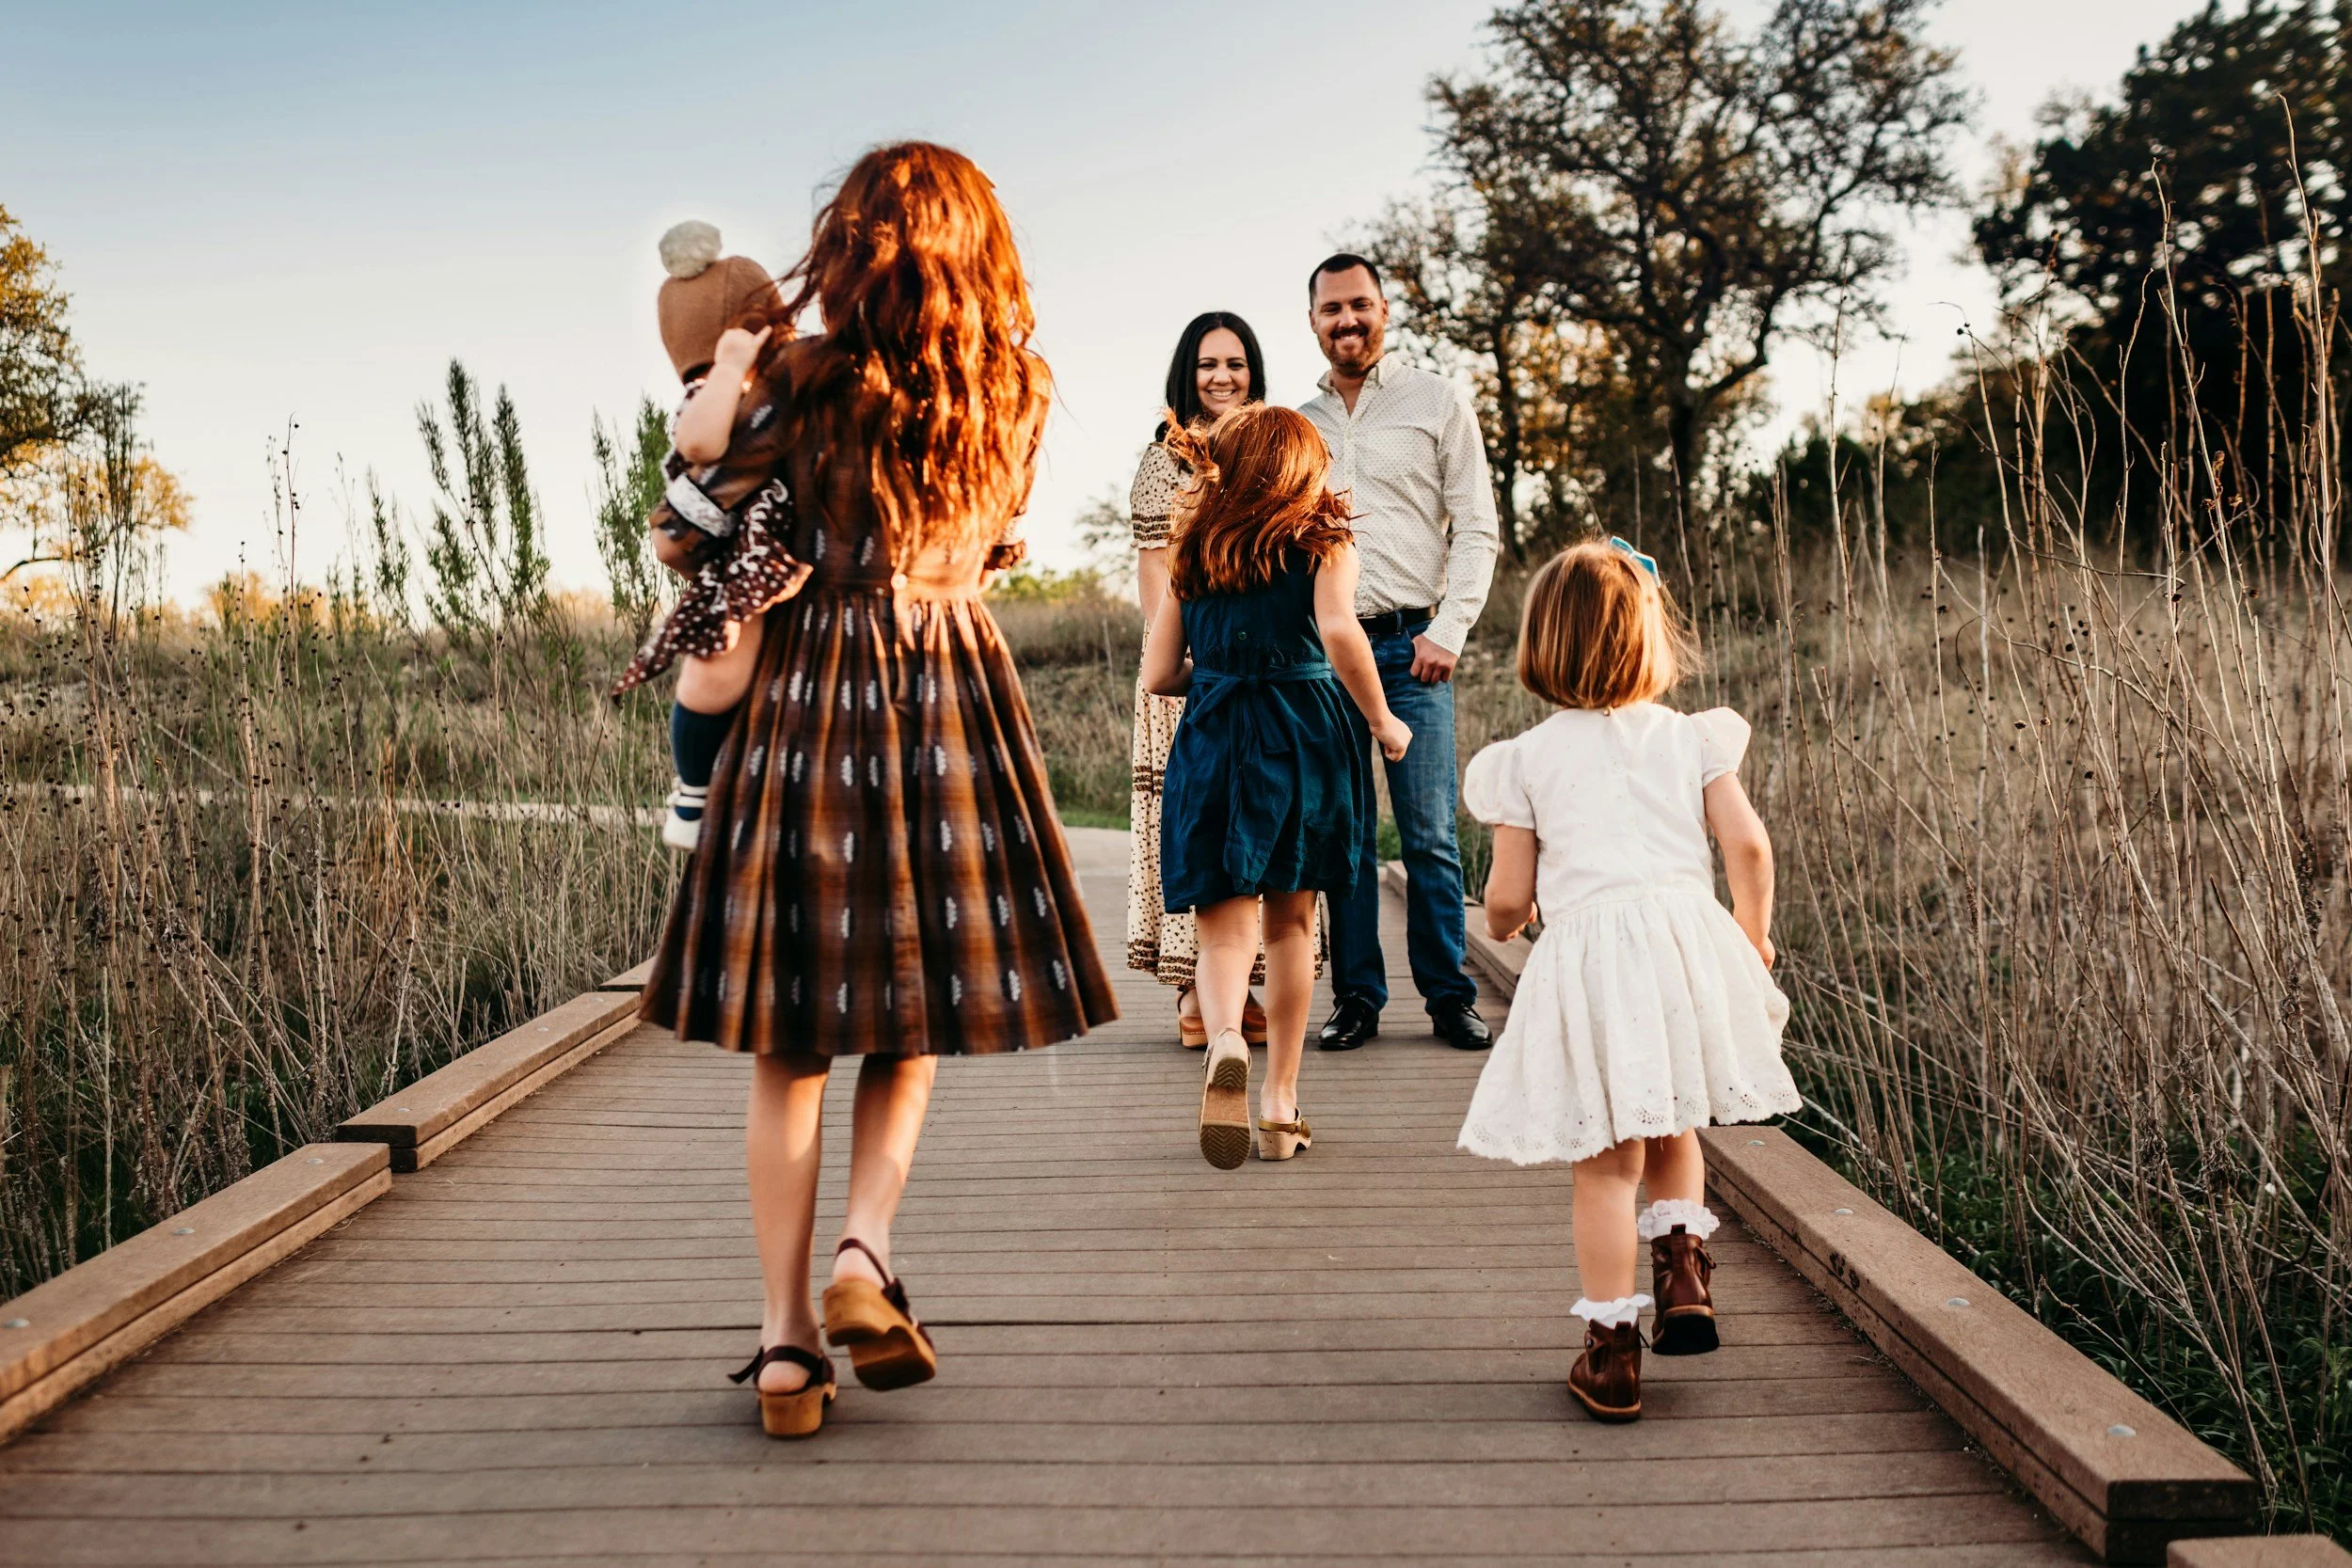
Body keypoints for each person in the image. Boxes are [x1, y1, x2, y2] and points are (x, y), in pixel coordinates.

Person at [636, 142, 1120, 1439]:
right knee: (909, 1007)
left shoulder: (798, 379)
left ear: (846, 248)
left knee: (792, 1039)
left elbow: (690, 526)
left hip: (810, 701)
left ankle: (788, 1344)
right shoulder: (1011, 389)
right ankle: (867, 1248)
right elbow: (1005, 531)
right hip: (950, 688)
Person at [1454, 539, 1801, 1422]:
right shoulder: (1691, 737)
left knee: (1607, 1165)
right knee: (1676, 1113)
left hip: (1593, 960)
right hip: (1685, 944)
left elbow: (1504, 898)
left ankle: (1612, 1354)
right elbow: (1749, 846)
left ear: (1545, 643)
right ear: (1649, 636)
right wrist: (1752, 939)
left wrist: (1503, 922)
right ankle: (1684, 1269)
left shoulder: (1524, 759)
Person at [1139, 405, 1410, 1168]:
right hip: (1305, 734)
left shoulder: (1193, 552)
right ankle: (1280, 1104)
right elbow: (1339, 631)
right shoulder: (1326, 541)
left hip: (1217, 732)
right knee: (1292, 926)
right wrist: (1384, 721)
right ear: (1300, 467)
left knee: (1225, 930)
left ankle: (1226, 1034)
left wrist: (1220, 673)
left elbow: (1159, 674)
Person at [1298, 252, 1501, 1053]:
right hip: (1328, 660)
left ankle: (1449, 996)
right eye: (1330, 310)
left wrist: (1449, 630)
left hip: (1416, 649)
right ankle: (1357, 998)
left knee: (1428, 835)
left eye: (1359, 306)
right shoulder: (1297, 425)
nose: (1346, 321)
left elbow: (1476, 524)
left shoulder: (1436, 400)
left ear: (1384, 308)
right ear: (1312, 321)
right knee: (1342, 833)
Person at [1125, 311, 1323, 1047]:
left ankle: (1234, 997)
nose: (1222, 377)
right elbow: (1158, 581)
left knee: (1247, 833)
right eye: (1208, 364)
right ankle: (1193, 998)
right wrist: (1187, 667)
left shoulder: (1269, 450)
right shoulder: (1166, 462)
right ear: (1187, 372)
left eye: (1236, 364)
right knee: (1195, 831)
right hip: (1189, 669)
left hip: (1262, 671)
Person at [610, 223, 787, 849]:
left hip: (770, 548)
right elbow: (700, 444)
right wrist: (733, 366)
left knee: (737, 670)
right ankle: (692, 794)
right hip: (742, 557)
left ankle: (718, 786)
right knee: (717, 663)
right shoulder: (711, 390)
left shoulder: (771, 388)